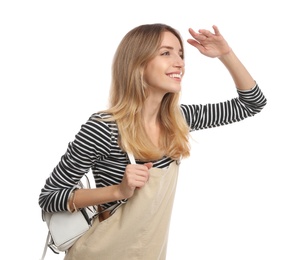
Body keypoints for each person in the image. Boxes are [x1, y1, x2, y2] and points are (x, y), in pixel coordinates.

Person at [39, 23, 267, 259]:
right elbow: (49, 197)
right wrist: (118, 190)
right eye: (166, 53)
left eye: (180, 54)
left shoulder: (179, 120)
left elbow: (252, 103)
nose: (179, 62)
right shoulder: (104, 127)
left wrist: (225, 54)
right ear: (138, 63)